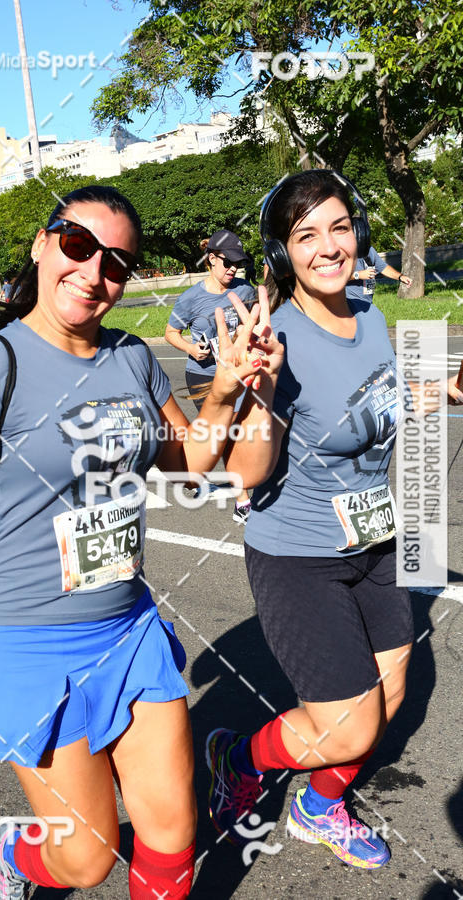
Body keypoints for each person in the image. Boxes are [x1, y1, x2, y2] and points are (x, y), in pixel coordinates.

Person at [0, 185, 263, 899]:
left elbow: (189, 465)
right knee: (86, 860)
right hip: (31, 641)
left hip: (128, 628)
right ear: (42, 244)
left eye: (117, 262)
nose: (94, 272)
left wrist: (226, 391)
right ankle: (14, 853)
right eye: (78, 245)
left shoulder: (132, 356)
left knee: (173, 834)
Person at [206, 169, 462, 870]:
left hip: (375, 539)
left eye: (340, 227)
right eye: (306, 234)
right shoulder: (276, 339)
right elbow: (244, 474)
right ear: (281, 251)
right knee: (349, 729)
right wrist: (260, 392)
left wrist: (449, 388)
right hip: (299, 556)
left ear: (359, 233)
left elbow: (383, 399)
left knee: (391, 696)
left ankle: (318, 807)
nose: (328, 246)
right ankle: (240, 759)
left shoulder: (369, 315)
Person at [165, 230, 256, 523]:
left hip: (236, 374)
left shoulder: (245, 290)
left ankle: (239, 493)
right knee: (222, 435)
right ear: (212, 259)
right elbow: (171, 333)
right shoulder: (191, 298)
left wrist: (246, 333)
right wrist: (192, 348)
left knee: (237, 433)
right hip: (202, 376)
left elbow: (252, 324)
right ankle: (239, 499)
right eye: (228, 263)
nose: (233, 269)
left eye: (237, 264)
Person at [346, 245, 412, 301]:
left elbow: (383, 267)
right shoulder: (345, 251)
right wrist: (357, 275)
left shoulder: (369, 249)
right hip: (350, 300)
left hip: (367, 301)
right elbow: (339, 277)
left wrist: (400, 277)